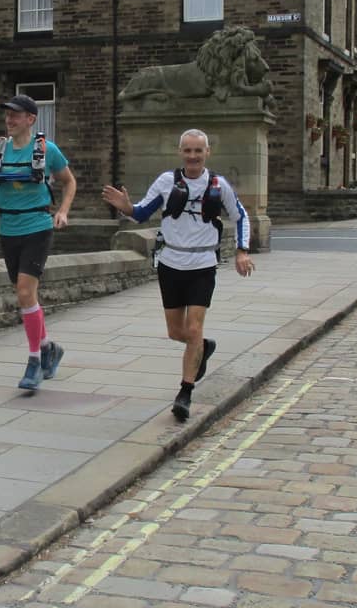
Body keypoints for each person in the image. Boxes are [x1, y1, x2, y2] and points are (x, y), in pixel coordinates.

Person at [101, 128, 254, 422]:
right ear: (180, 152)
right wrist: (126, 207)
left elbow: (241, 216)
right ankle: (203, 348)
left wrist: (242, 251)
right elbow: (141, 213)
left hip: (202, 265)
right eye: (188, 150)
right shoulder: (166, 181)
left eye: (198, 150)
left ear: (207, 152)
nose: (193, 156)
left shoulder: (218, 184)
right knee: (176, 332)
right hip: (170, 263)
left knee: (193, 328)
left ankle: (185, 392)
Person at [0, 94, 77, 391]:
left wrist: (63, 211)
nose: (10, 119)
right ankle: (48, 348)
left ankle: (34, 362)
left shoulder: (47, 150)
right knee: (26, 295)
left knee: (24, 291)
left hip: (37, 226)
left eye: (16, 115)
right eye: (7, 114)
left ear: (30, 119)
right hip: (8, 228)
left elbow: (69, 181)